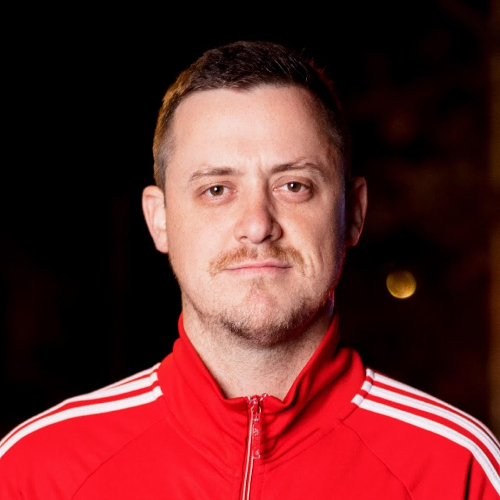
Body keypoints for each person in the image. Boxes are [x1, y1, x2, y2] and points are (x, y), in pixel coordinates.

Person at [1, 40, 499, 500]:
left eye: (294, 186)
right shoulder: (35, 471)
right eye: (217, 189)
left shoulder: (460, 470)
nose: (258, 225)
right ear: (160, 220)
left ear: (353, 213)